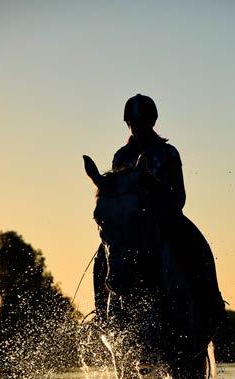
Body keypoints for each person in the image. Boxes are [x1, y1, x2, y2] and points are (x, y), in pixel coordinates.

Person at [93, 93, 226, 339]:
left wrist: (156, 200)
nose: (138, 126)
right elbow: (115, 193)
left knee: (196, 245)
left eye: (142, 121)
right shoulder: (120, 157)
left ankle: (211, 303)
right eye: (133, 122)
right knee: (102, 258)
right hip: (130, 226)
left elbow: (180, 196)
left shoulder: (168, 153)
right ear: (127, 124)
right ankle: (102, 317)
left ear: (152, 121)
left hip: (166, 220)